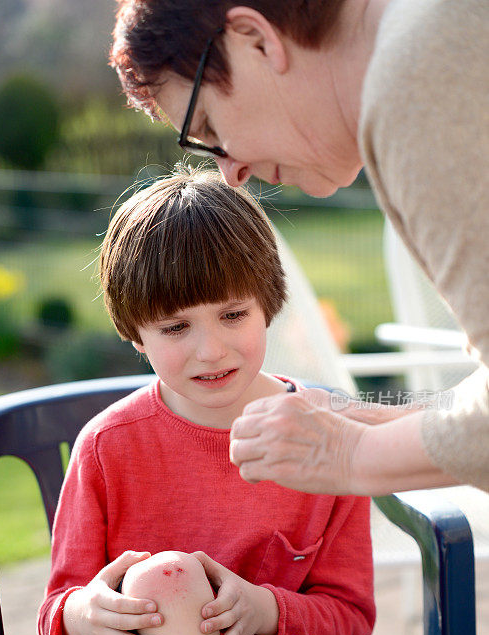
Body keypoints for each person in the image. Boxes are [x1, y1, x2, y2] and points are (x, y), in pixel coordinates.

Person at [38, 168, 375, 635]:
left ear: (268, 301)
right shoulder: (109, 447)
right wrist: (88, 613)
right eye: (175, 327)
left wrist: (265, 609)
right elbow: (59, 616)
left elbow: (348, 618)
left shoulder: (323, 439)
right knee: (166, 577)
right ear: (134, 331)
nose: (210, 349)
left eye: (232, 314)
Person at [109, 0, 489, 496]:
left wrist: (348, 455)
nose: (231, 172)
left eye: (211, 128)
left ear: (256, 40)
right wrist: (368, 426)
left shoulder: (415, 78)